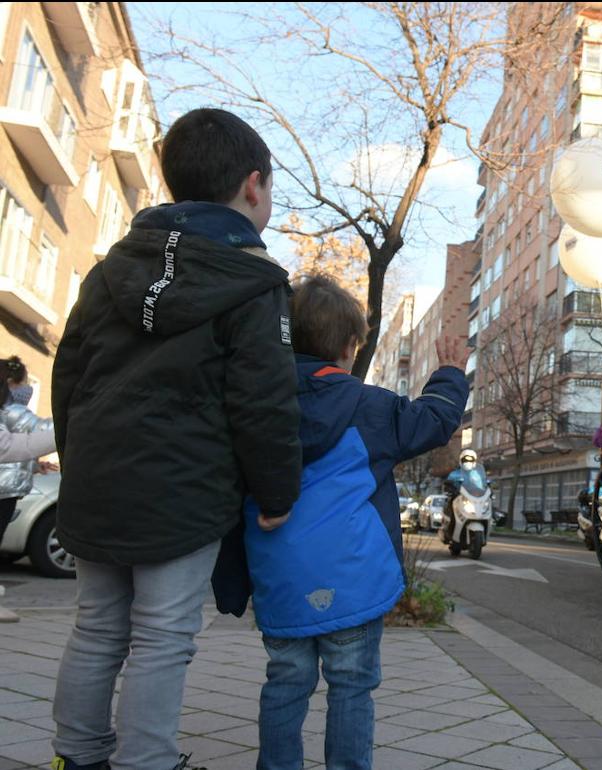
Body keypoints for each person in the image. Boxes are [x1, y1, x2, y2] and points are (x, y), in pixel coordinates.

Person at [50, 108, 303, 770]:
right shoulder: (255, 283)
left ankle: (75, 757)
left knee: (97, 625)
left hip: (98, 478)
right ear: (253, 187)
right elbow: (263, 401)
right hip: (185, 491)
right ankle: (147, 761)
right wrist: (277, 490)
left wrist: (76, 461)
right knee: (163, 635)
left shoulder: (109, 273)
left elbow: (68, 373)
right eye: (270, 190)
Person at [241, 274, 468, 770]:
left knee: (284, 683)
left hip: (278, 575)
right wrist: (450, 371)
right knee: (351, 687)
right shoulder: (368, 407)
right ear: (349, 346)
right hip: (355, 579)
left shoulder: (255, 401)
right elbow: (433, 419)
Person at [0, 356, 57, 624]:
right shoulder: (11, 409)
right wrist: (79, 419)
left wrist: (34, 465)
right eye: (23, 383)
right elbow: (11, 445)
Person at [442, 449, 489, 544]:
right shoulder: (455, 474)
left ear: (474, 462)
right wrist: (450, 487)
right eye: (465, 460)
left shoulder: (477, 475)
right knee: (451, 508)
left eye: (470, 461)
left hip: (474, 499)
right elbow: (448, 483)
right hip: (459, 498)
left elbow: (483, 484)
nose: (468, 463)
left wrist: (488, 488)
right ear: (461, 461)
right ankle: (449, 532)